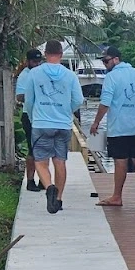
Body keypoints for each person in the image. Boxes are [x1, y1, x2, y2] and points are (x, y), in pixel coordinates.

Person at [88, 46, 135, 211]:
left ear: (116, 59)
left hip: (118, 128)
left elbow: (105, 103)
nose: (105, 64)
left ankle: (117, 196)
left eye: (106, 61)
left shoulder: (111, 77)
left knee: (120, 162)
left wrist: (96, 122)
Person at [26, 40, 84, 214]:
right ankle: (58, 199)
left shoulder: (35, 73)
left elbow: (29, 100)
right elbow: (78, 100)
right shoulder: (70, 75)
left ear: (45, 54)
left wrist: (32, 116)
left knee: (40, 162)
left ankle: (49, 186)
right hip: (63, 125)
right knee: (60, 161)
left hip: (41, 124)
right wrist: (67, 111)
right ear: (61, 54)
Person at [14, 48, 45, 191]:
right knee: (33, 149)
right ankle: (31, 180)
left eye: (39, 61)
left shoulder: (42, 73)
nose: (37, 64)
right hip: (29, 115)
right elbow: (19, 96)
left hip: (42, 115)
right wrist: (33, 96)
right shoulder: (24, 76)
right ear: (28, 61)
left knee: (43, 149)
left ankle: (43, 180)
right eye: (34, 61)